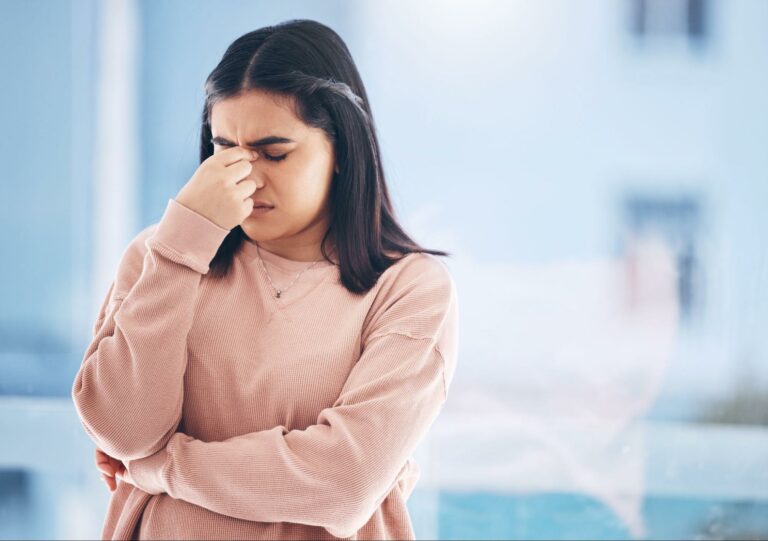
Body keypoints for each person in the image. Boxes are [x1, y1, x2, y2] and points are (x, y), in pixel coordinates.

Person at [72, 18, 459, 541]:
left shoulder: (409, 290)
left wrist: (161, 469)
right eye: (224, 149)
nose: (245, 176)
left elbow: (343, 481)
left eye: (274, 153)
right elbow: (123, 430)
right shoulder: (160, 256)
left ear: (342, 148)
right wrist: (182, 246)